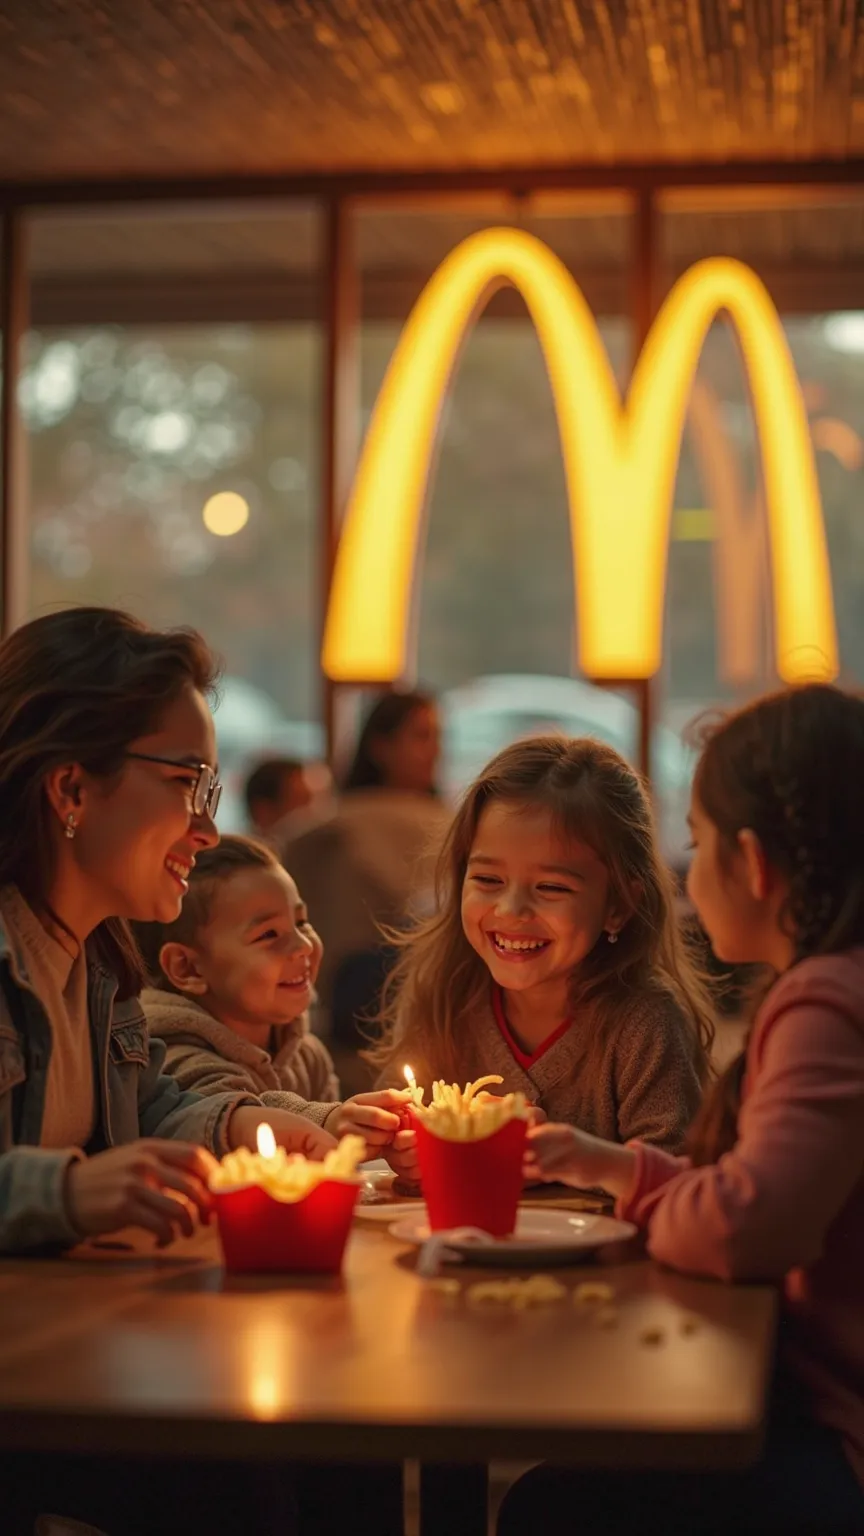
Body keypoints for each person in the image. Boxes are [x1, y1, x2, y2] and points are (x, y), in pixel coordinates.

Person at [0, 606, 399, 1536]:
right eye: (187, 783)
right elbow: (79, 1183)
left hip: (71, 1350)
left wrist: (260, 1128)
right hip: (30, 1387)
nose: (209, 828)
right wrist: (66, 1192)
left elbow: (157, 1101)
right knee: (255, 1476)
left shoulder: (95, 961)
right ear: (71, 789)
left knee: (351, 1428)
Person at [500, 684, 864, 1536]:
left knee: (549, 1507)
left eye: (695, 844)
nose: (688, 874)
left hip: (836, 1438)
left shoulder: (825, 1002)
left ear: (755, 862)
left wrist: (655, 1197)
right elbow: (749, 1190)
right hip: (812, 1399)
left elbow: (745, 1226)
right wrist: (616, 1166)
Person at [370, 736, 716, 1189]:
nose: (512, 911)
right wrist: (406, 1152)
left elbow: (676, 1189)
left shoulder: (643, 1024)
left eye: (551, 887)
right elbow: (402, 1145)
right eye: (488, 879)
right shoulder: (446, 996)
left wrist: (549, 1163)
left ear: (618, 905)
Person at [136, 835, 413, 1150]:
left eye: (302, 922)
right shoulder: (171, 1053)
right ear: (188, 968)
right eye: (269, 934)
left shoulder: (307, 1054)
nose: (304, 946)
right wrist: (328, 1122)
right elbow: (230, 1117)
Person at [280, 689, 450, 1090]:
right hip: (359, 992)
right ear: (380, 745)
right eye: (421, 736)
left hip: (435, 991)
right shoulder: (333, 830)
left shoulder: (451, 824)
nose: (434, 751)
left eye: (438, 738)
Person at [243, 756, 322, 840]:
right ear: (262, 812)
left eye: (309, 801)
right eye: (299, 801)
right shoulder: (240, 852)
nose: (310, 812)